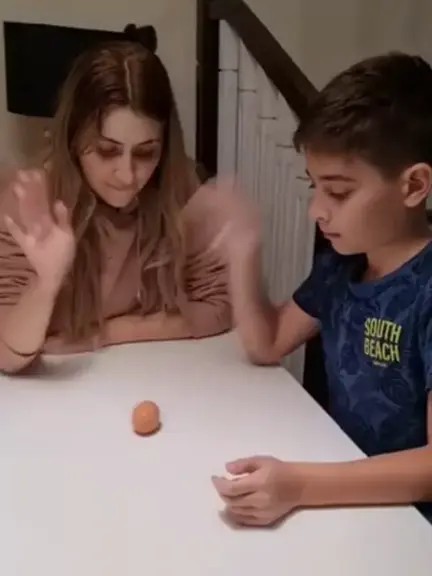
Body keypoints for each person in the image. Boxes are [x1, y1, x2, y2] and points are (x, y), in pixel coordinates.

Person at [212, 52, 432, 526]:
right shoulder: (342, 266)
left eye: (338, 192)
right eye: (314, 186)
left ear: (414, 185)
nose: (316, 210)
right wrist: (243, 253)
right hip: (344, 501)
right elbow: (269, 342)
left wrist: (300, 485)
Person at [0, 40, 232, 374]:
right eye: (107, 151)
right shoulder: (32, 200)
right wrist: (46, 283)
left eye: (146, 152)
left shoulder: (179, 190)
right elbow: (8, 355)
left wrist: (106, 333)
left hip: (153, 377)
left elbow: (219, 307)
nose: (127, 175)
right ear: (74, 138)